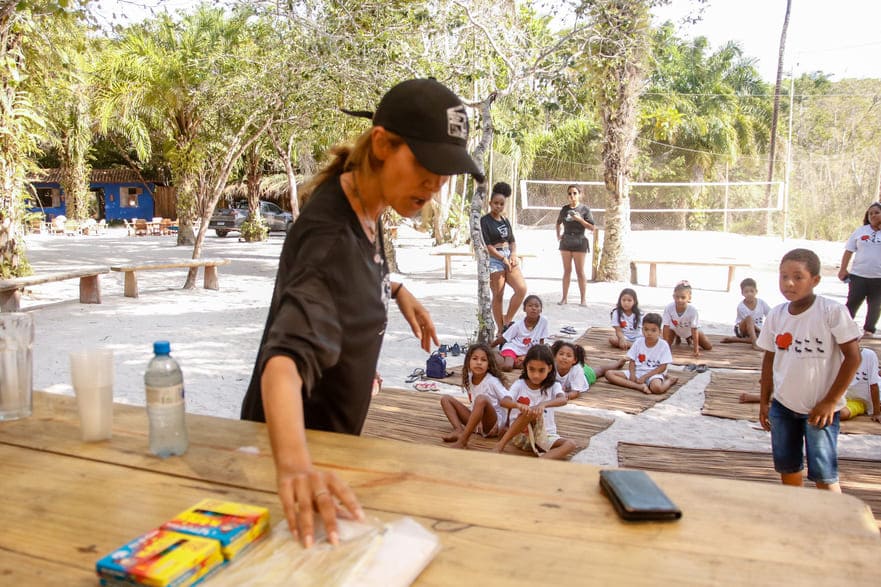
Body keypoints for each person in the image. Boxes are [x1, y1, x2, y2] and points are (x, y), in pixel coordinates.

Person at [239, 78, 485, 547]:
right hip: (295, 468)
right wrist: (295, 467)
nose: (435, 184)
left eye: (446, 171)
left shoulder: (365, 203)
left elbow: (357, 267)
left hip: (330, 452)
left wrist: (395, 288)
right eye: (427, 164)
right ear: (382, 145)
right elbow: (283, 363)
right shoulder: (330, 238)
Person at [757, 248, 862, 492]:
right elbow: (769, 360)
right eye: (784, 276)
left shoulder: (831, 311)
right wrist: (764, 401)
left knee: (825, 476)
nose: (789, 283)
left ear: (815, 280)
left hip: (820, 410)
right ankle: (797, 513)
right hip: (783, 407)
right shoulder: (776, 315)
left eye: (798, 277)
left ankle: (835, 516)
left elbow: (853, 357)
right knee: (788, 469)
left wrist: (830, 402)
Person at [493, 345, 575, 460]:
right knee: (530, 412)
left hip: (545, 436)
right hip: (521, 436)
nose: (536, 375)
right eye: (532, 369)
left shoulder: (554, 385)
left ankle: (541, 461)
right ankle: (500, 445)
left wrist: (543, 404)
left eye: (541, 370)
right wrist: (518, 405)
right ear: (526, 366)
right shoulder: (520, 384)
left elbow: (563, 399)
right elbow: (504, 401)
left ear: (549, 368)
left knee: (571, 444)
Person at [440, 344, 516, 448]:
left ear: (488, 365)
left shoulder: (492, 381)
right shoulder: (469, 377)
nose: (479, 362)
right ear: (468, 362)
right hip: (476, 421)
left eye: (483, 360)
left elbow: (510, 400)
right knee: (445, 399)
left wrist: (506, 425)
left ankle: (463, 440)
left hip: (492, 424)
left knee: (481, 399)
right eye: (475, 359)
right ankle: (458, 430)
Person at [480, 181, 527, 336]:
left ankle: (507, 320)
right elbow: (487, 245)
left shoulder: (505, 220)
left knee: (521, 289)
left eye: (501, 204)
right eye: (496, 203)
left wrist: (513, 254)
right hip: (494, 258)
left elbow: (512, 240)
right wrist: (501, 258)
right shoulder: (485, 221)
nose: (498, 206)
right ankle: (500, 329)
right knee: (498, 294)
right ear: (490, 203)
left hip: (508, 254)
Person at [606, 313, 679, 395]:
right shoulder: (638, 342)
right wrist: (632, 374)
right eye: (646, 329)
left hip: (653, 374)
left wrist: (645, 377)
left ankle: (670, 381)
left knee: (657, 388)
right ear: (642, 330)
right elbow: (632, 360)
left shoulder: (663, 345)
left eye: (653, 330)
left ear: (659, 332)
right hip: (638, 371)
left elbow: (662, 367)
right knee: (609, 374)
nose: (649, 333)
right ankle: (639, 387)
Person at [838, 202, 881, 337]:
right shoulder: (860, 231)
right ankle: (844, 329)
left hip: (878, 278)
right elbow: (849, 251)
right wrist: (843, 269)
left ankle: (869, 331)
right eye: (870, 213)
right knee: (852, 302)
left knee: (875, 305)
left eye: (877, 212)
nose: (873, 215)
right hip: (858, 276)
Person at [555, 184, 595, 305]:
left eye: (574, 193)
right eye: (570, 193)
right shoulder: (564, 209)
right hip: (566, 241)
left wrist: (579, 220)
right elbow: (558, 223)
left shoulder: (585, 209)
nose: (572, 195)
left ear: (579, 194)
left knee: (580, 271)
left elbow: (592, 227)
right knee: (567, 271)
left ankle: (583, 299)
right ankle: (564, 298)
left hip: (579, 241)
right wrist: (558, 235)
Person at [490, 294, 549, 371]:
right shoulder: (518, 325)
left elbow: (541, 341)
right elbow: (504, 338)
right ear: (524, 309)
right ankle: (496, 354)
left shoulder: (543, 321)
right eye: (530, 306)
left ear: (541, 310)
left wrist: (537, 354)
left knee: (532, 365)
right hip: (513, 348)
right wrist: (490, 347)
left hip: (528, 352)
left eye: (537, 306)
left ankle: (517, 361)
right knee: (507, 366)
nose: (533, 308)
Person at [662, 280, 712, 358]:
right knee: (667, 346)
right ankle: (677, 336)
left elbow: (694, 329)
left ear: (689, 298)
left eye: (683, 297)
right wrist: (664, 345)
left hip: (690, 331)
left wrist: (696, 349)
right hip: (674, 330)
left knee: (708, 347)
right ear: (673, 296)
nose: (679, 300)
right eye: (677, 297)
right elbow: (666, 326)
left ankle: (688, 337)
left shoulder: (693, 310)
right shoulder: (669, 308)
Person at [721, 278, 771, 349]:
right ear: (742, 293)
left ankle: (736, 339)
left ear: (756, 291)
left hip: (756, 331)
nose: (749, 294)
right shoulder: (741, 307)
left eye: (752, 291)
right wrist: (761, 332)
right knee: (749, 318)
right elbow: (749, 324)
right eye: (746, 292)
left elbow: (770, 315)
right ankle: (754, 343)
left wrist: (766, 330)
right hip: (742, 329)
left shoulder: (761, 303)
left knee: (767, 338)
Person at [841, 347, 881, 423]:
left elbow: (874, 386)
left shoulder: (868, 355)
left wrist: (877, 413)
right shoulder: (835, 353)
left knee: (841, 413)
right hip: (841, 397)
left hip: (859, 400)